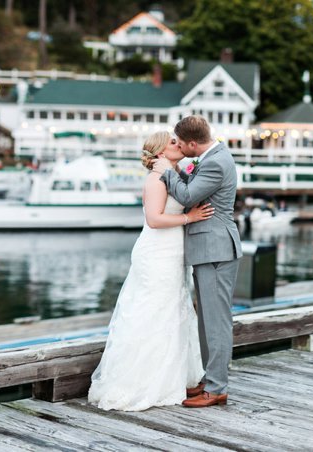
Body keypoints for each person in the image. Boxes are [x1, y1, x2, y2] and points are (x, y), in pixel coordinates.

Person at [88, 131, 214, 412]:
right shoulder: (156, 179)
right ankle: (140, 382)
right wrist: (189, 217)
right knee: (153, 311)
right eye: (172, 142)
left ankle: (175, 376)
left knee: (173, 310)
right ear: (160, 153)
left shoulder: (174, 174)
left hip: (172, 252)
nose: (178, 144)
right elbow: (154, 219)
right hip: (156, 252)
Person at [153, 115, 242, 408]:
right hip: (209, 248)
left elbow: (189, 194)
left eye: (180, 142)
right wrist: (177, 169)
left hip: (215, 248)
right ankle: (211, 379)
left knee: (216, 321)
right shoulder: (212, 156)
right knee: (208, 320)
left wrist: (167, 171)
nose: (177, 145)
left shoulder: (216, 161)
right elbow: (193, 185)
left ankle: (216, 388)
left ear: (193, 143)